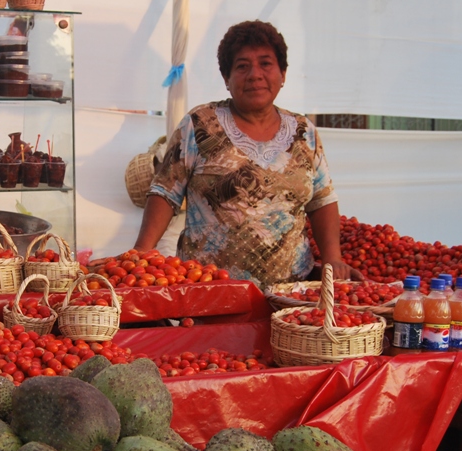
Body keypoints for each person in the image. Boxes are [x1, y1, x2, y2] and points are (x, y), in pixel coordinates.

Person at [134, 19, 360, 290]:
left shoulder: (303, 132)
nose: (255, 74)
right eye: (242, 66)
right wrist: (140, 254)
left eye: (266, 63)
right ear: (227, 79)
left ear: (283, 74)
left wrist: (333, 259)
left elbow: (322, 199)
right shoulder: (200, 124)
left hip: (291, 295)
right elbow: (165, 193)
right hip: (210, 290)